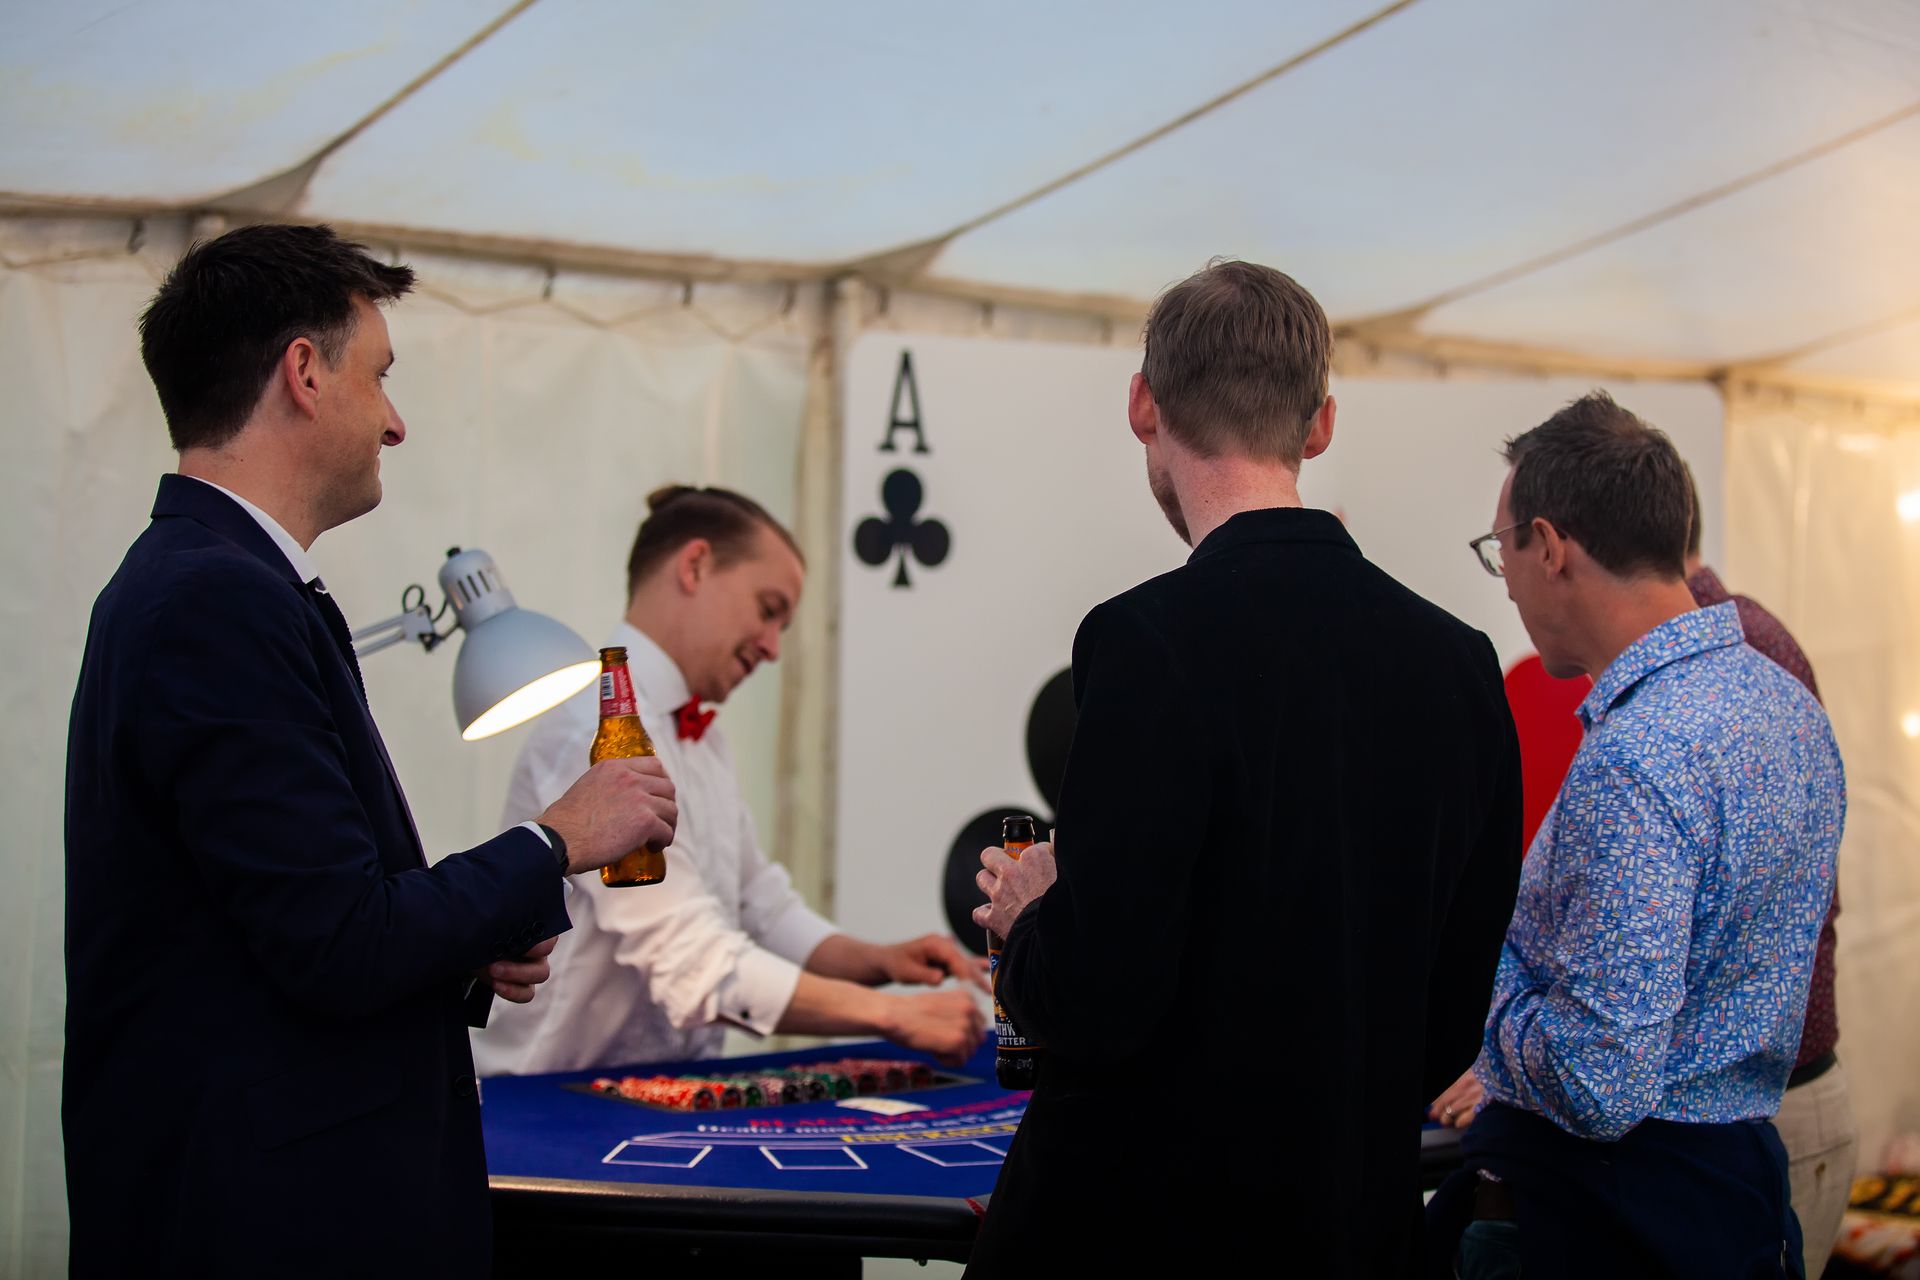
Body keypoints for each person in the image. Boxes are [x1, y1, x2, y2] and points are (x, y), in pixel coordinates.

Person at [64, 224, 680, 1277]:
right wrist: (554, 839)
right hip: (269, 1224)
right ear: (305, 372)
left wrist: (460, 945)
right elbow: (339, 940)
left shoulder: (222, 583)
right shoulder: (214, 599)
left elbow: (279, 923)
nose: (395, 423)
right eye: (381, 375)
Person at [967, 260, 1525, 1275]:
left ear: (1144, 403)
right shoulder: (1459, 662)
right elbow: (1457, 1016)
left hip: (1143, 1234)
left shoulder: (1144, 641)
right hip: (1353, 1230)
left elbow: (1097, 995)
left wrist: (1030, 915)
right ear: (1320, 423)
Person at [1426, 393, 1845, 1279]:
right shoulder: (1786, 707)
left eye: (1501, 550)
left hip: (1611, 1225)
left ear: (1551, 546)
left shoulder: (1642, 753)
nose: (1506, 578)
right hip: (1728, 1198)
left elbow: (1597, 1079)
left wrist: (1471, 993)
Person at [472, 484, 986, 1078]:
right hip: (551, 1104)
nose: (772, 649)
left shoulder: (705, 739)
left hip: (651, 1095)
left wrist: (880, 961)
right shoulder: (593, 730)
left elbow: (762, 906)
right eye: (768, 610)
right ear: (695, 566)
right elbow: (691, 958)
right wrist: (891, 1016)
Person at [1684, 469, 1857, 1277]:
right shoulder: (1720, 648)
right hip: (1764, 1108)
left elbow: (1748, 915)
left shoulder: (1736, 651)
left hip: (1776, 1110)